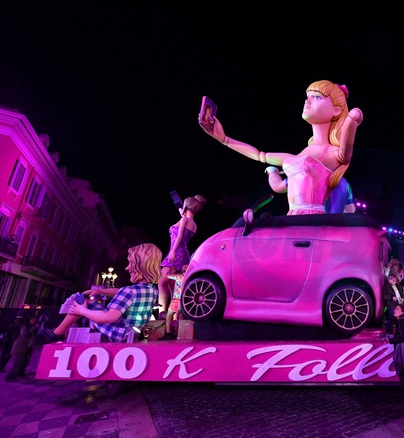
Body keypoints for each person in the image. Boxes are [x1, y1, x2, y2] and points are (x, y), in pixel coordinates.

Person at [199, 80, 363, 215]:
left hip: (314, 220)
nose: (307, 101)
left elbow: (345, 152)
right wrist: (225, 139)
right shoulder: (300, 156)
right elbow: (260, 156)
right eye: (308, 96)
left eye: (317, 97)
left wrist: (351, 121)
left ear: (336, 110)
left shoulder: (333, 153)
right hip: (292, 217)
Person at [40, 243, 162, 343]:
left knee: (82, 302)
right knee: (87, 302)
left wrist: (82, 311)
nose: (127, 268)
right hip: (136, 333)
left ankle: (56, 333)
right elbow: (124, 294)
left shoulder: (129, 291)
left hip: (120, 334)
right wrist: (99, 290)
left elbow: (108, 317)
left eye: (131, 263)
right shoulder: (152, 290)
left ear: (140, 266)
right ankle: (58, 332)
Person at [158, 195, 206, 317]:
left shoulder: (184, 219)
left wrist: (173, 251)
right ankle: (175, 315)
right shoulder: (194, 224)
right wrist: (182, 211)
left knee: (162, 282)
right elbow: (183, 215)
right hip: (184, 254)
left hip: (176, 253)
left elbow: (179, 235)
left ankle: (162, 312)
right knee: (173, 286)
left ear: (187, 206)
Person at [5, 312, 42, 382]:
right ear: (29, 319)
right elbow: (26, 334)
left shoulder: (32, 327)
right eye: (32, 319)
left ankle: (20, 373)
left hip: (28, 348)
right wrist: (35, 327)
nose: (34, 321)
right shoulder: (24, 326)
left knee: (25, 362)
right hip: (19, 348)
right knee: (17, 363)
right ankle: (10, 377)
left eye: (35, 319)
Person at [162, 264, 188, 339]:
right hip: (185, 299)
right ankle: (180, 333)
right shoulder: (189, 276)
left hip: (177, 299)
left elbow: (168, 276)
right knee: (181, 316)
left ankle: (168, 333)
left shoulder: (180, 276)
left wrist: (172, 270)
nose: (183, 266)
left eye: (185, 266)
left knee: (169, 315)